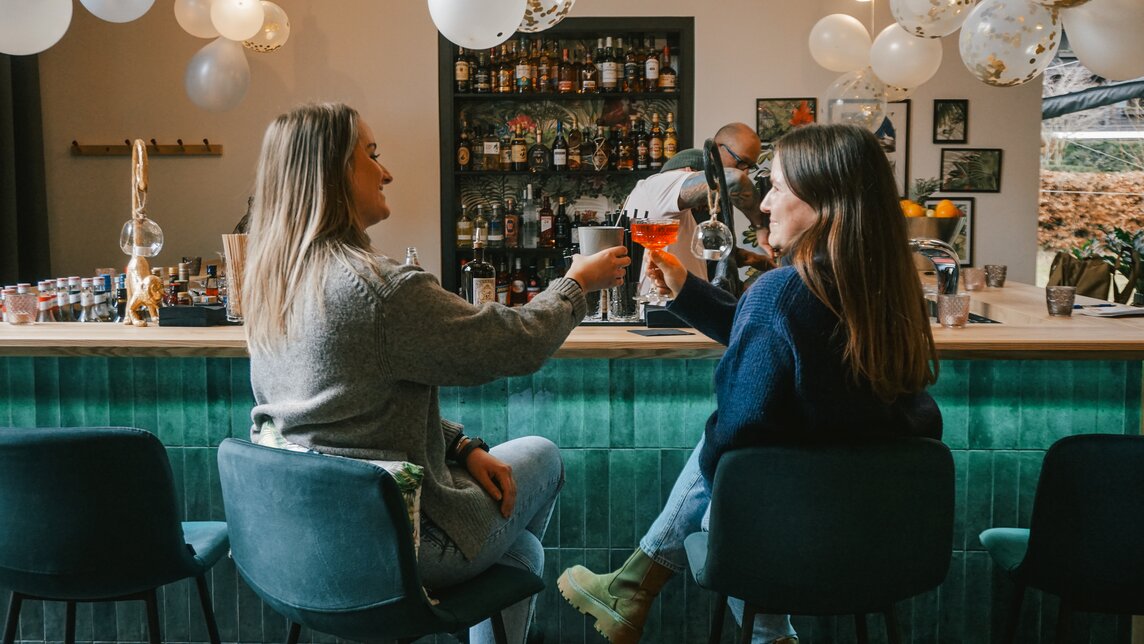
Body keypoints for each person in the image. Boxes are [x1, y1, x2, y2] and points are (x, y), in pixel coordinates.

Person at [243, 103, 629, 644]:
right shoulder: (381, 291)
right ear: (331, 171)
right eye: (372, 156)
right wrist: (576, 284)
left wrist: (461, 446)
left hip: (300, 546)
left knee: (523, 554)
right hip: (397, 546)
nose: (387, 172)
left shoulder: (273, 284)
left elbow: (341, 410)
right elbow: (515, 345)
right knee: (542, 455)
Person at [557, 123, 942, 644]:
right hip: (883, 546)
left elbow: (740, 428)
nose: (763, 205)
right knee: (743, 452)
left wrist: (722, 464)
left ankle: (663, 592)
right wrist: (687, 292)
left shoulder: (782, 291)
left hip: (783, 544)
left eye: (778, 188)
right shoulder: (888, 295)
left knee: (729, 455)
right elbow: (790, 339)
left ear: (823, 199)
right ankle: (638, 586)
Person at [620, 122, 771, 297]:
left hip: (690, 312)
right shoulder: (658, 186)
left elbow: (703, 255)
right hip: (660, 310)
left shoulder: (686, 216)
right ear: (688, 172)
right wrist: (761, 227)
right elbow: (735, 180)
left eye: (749, 167)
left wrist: (753, 260)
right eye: (741, 163)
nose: (745, 173)